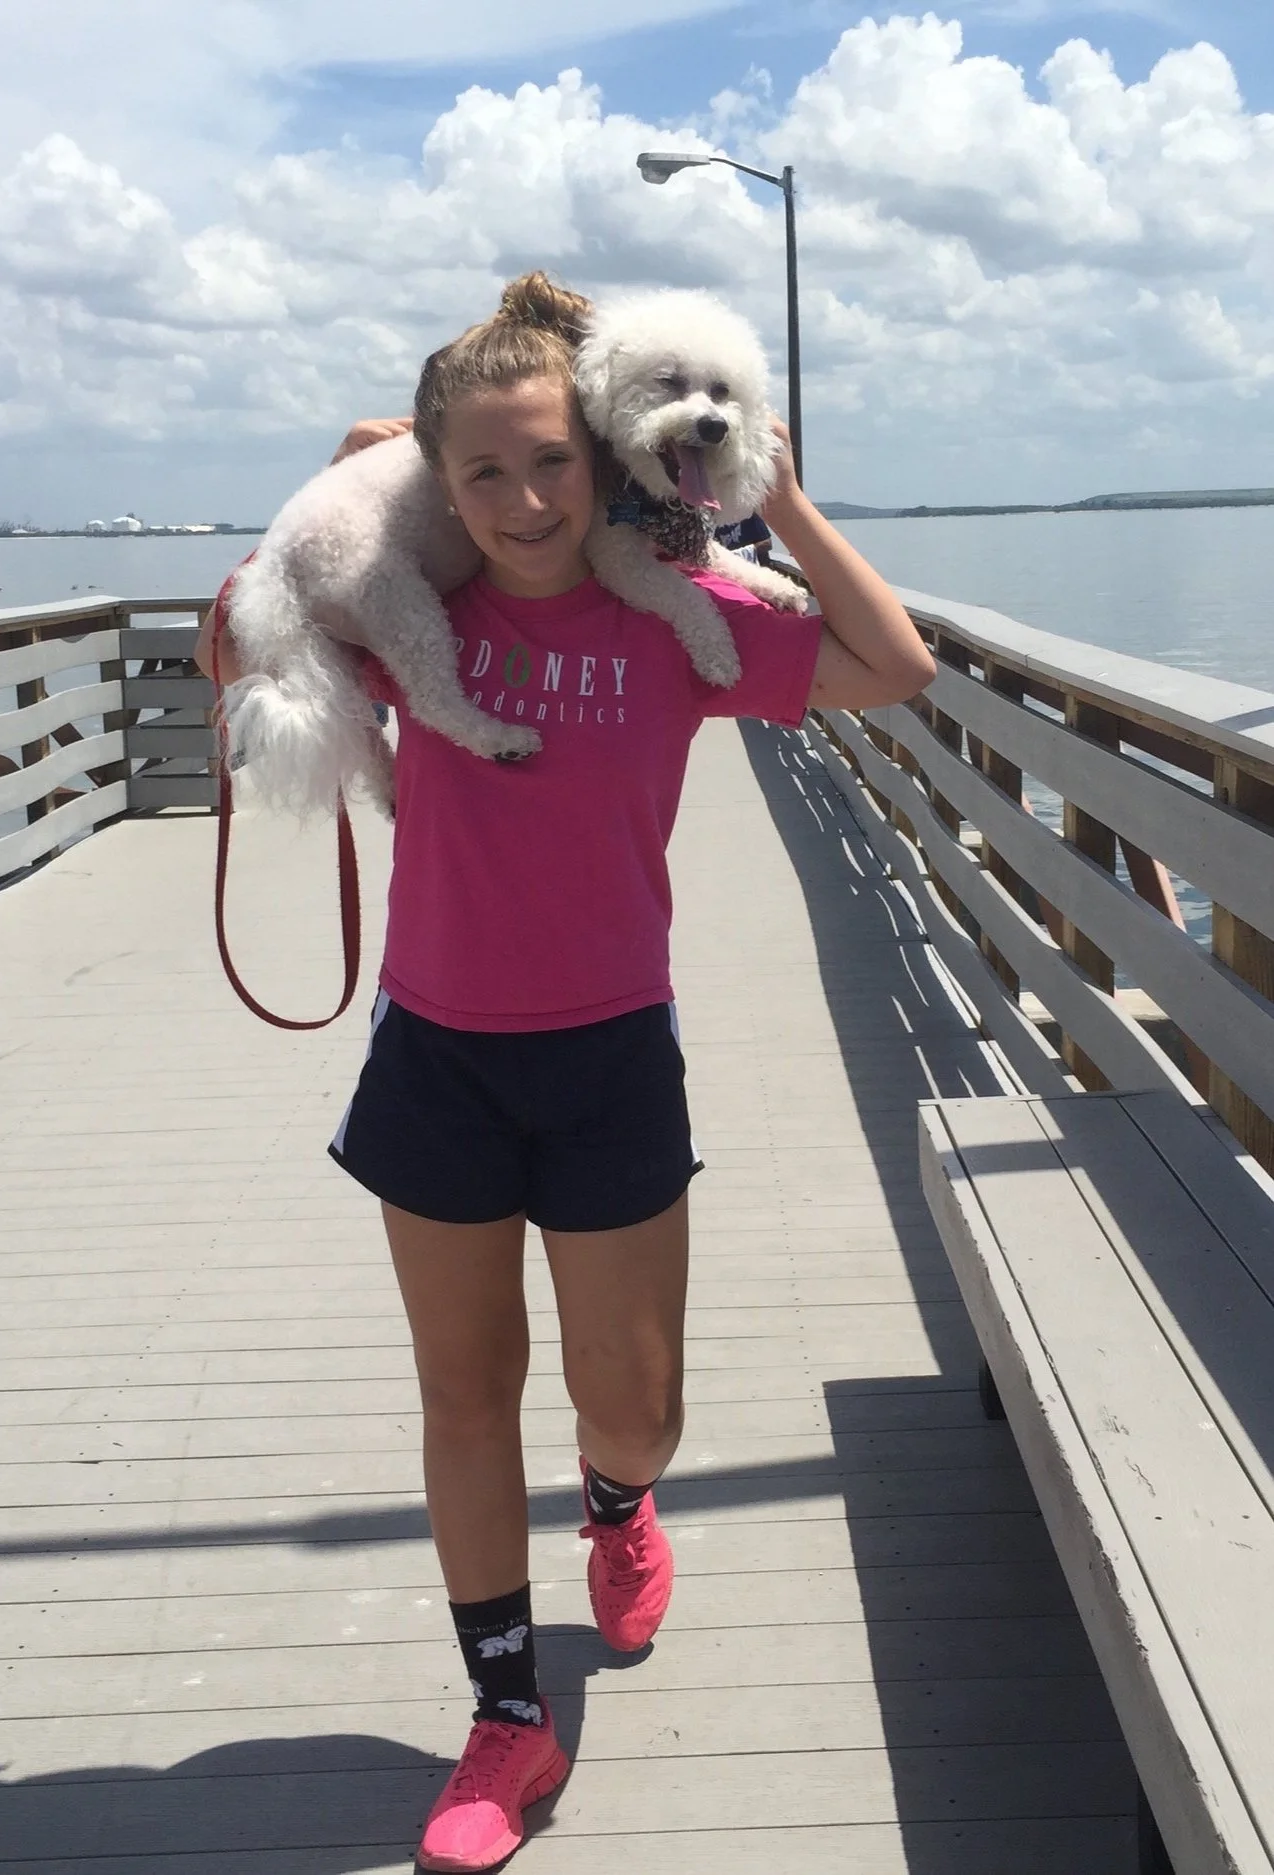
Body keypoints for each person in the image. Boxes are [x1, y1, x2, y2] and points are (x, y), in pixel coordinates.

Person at [198, 272, 935, 1873]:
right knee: (464, 1398)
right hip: (437, 1053)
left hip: (609, 1052)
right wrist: (332, 496)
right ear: (437, 482)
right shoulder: (412, 601)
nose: (523, 503)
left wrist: (782, 498)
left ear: (603, 462)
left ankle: (616, 1502)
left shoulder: (673, 621)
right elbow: (229, 654)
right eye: (481, 473)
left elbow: (894, 667)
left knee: (638, 1405)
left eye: (549, 465)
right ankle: (504, 1718)